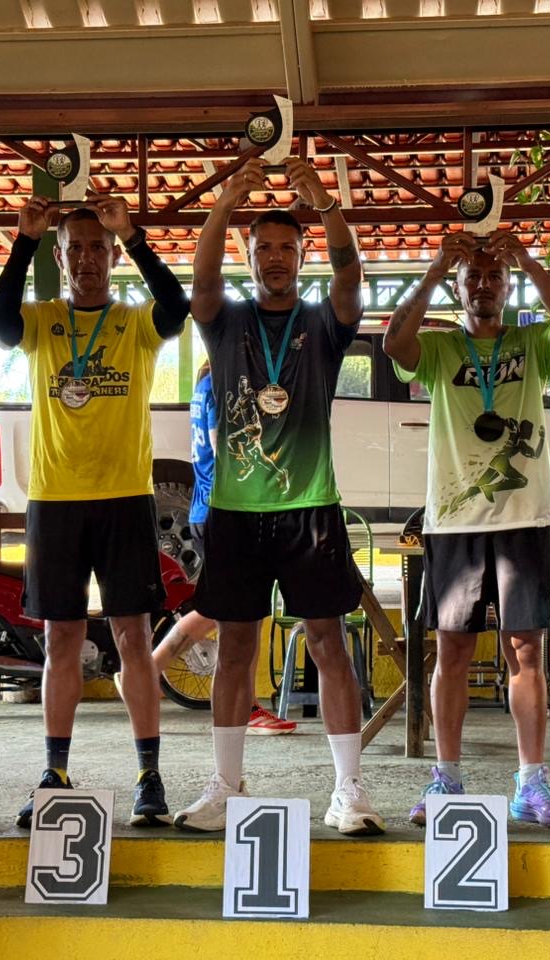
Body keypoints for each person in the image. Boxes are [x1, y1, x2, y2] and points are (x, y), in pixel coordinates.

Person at [174, 156, 383, 836]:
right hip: (235, 513)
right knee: (236, 647)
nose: (273, 258)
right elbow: (202, 280)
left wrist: (326, 205)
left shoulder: (324, 323)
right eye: (262, 247)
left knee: (328, 642)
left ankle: (349, 791)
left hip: (309, 507)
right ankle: (226, 785)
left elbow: (351, 277)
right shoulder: (224, 320)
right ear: (249, 255)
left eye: (285, 248)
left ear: (301, 255)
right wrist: (223, 205)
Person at [0, 194, 189, 828]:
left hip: (124, 499)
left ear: (112, 256)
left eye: (98, 248)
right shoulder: (42, 321)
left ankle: (149, 775)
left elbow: (177, 309)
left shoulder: (135, 323)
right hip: (56, 501)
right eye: (74, 249)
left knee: (133, 638)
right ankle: (56, 770)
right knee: (62, 641)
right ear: (61, 258)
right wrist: (23, 242)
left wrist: (136, 237)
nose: (87, 259)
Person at [384, 229, 550, 829]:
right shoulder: (441, 348)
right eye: (471, 276)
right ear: (458, 288)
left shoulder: (532, 343)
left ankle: (531, 783)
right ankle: (446, 778)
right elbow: (395, 343)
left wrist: (528, 260)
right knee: (452, 649)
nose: (483, 285)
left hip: (526, 517)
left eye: (494, 276)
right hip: (455, 521)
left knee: (526, 650)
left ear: (507, 286)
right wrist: (432, 270)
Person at [147, 361, 296, 736]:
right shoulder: (222, 387)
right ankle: (150, 671)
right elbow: (228, 449)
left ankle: (247, 705)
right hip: (226, 510)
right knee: (224, 611)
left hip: (212, 508)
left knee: (240, 613)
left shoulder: (206, 385)